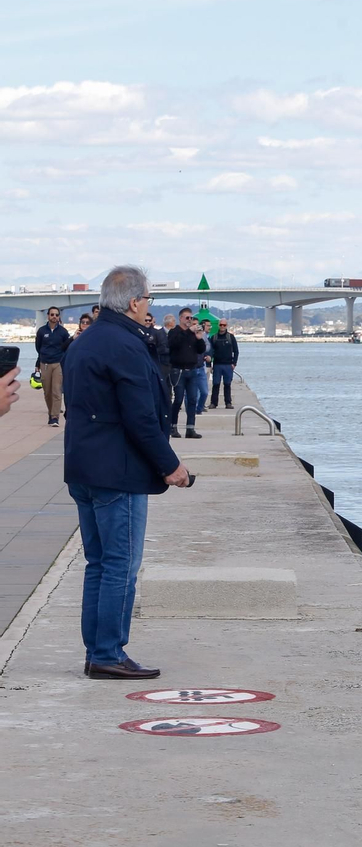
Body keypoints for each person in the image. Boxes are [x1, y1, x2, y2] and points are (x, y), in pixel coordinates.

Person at [62, 265, 191, 679]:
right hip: (118, 473)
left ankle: (97, 651)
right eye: (148, 299)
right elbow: (141, 418)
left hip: (84, 469)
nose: (148, 305)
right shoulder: (126, 344)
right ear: (135, 302)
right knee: (120, 564)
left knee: (98, 563)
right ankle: (108, 654)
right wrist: (171, 466)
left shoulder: (84, 341)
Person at [167, 308, 207, 439]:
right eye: (187, 318)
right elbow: (173, 344)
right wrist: (188, 332)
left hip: (192, 370)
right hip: (178, 370)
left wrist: (199, 338)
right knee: (178, 399)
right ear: (180, 319)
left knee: (192, 400)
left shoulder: (193, 334)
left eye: (191, 318)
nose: (189, 320)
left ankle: (190, 428)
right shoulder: (174, 332)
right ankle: (173, 426)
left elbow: (201, 350)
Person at [34, 307, 71, 426]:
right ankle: (51, 413)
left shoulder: (63, 332)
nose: (54, 317)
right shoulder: (41, 331)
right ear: (48, 316)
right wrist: (38, 363)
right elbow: (38, 348)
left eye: (56, 315)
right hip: (44, 363)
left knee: (56, 391)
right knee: (47, 392)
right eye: (52, 314)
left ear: (59, 317)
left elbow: (67, 347)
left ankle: (55, 417)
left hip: (58, 363)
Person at [209, 319, 239, 409]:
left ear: (227, 326)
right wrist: (210, 364)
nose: (222, 326)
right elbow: (210, 352)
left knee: (227, 384)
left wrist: (234, 363)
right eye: (221, 325)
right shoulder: (214, 337)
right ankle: (213, 403)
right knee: (216, 384)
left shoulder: (231, 337)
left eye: (224, 325)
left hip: (228, 365)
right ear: (218, 325)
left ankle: (228, 403)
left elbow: (236, 351)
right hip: (217, 365)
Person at [160, 314, 180, 437]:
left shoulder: (175, 334)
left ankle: (171, 424)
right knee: (165, 394)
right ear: (169, 323)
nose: (174, 322)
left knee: (172, 395)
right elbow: (160, 349)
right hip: (162, 367)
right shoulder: (159, 334)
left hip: (173, 367)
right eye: (173, 321)